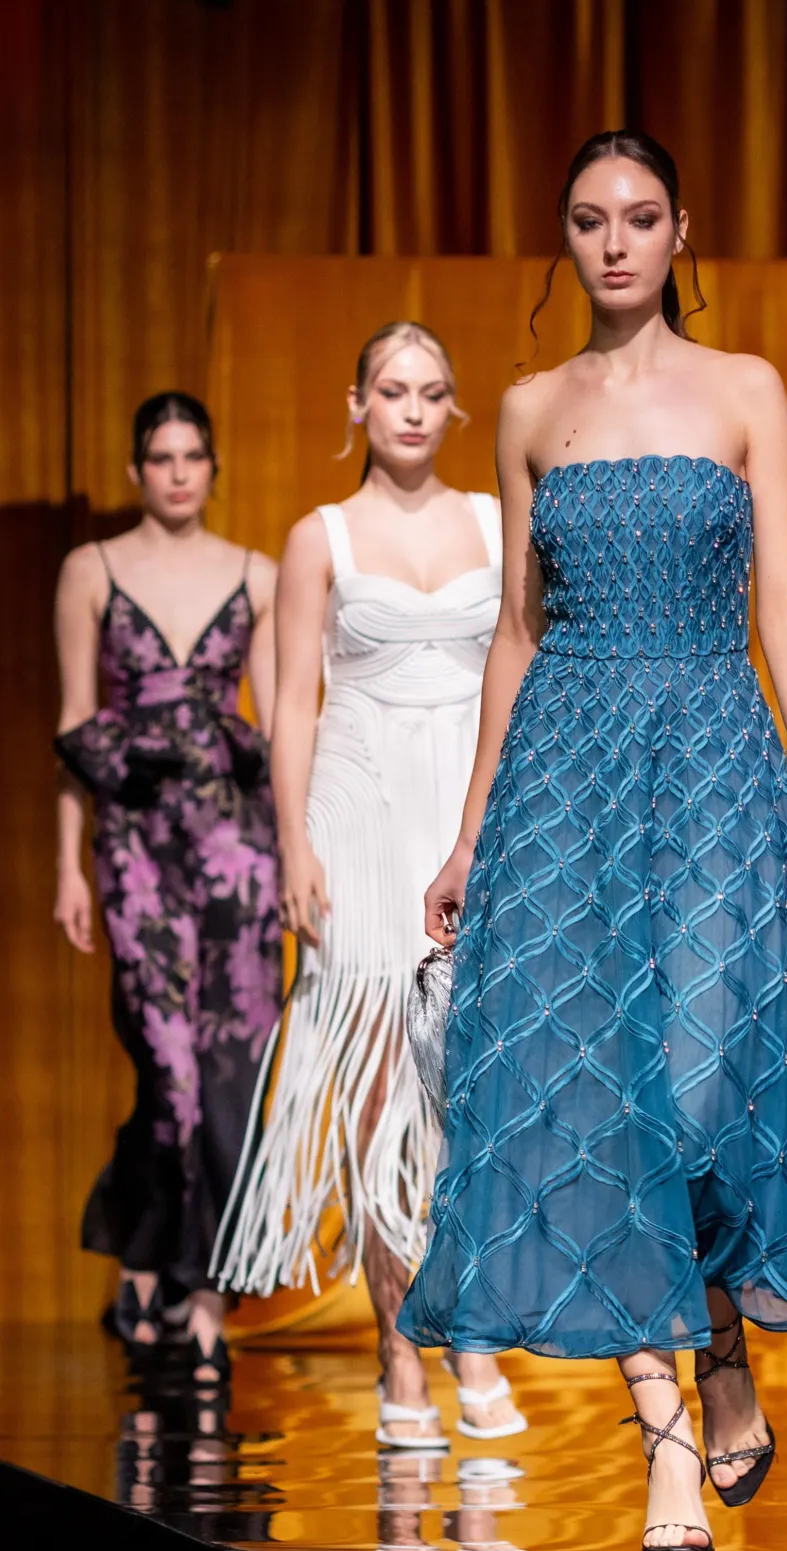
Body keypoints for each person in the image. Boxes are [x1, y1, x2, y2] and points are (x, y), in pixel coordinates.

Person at [395, 129, 787, 1551]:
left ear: (681, 230)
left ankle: (724, 1341)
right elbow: (515, 636)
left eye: (638, 217)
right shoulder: (526, 410)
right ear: (564, 239)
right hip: (564, 778)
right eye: (588, 219)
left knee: (693, 1093)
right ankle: (669, 1446)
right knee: (590, 1107)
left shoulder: (747, 390)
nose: (614, 242)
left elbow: (784, 602)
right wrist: (468, 834)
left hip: (712, 765)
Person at [212, 321, 524, 1450]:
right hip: (358, 806)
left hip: (469, 805)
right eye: (392, 390)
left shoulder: (496, 520)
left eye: (431, 391)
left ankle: (472, 1333)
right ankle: (400, 1348)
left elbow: (525, 661)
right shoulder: (320, 538)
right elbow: (291, 703)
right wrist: (294, 845)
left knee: (472, 1086)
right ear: (357, 404)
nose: (412, 409)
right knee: (383, 1091)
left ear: (455, 407)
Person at [54, 391, 281, 1387]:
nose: (179, 472)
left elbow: (280, 724)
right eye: (161, 456)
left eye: (193, 455)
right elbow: (77, 726)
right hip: (138, 845)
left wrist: (305, 854)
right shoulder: (91, 570)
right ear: (136, 469)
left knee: (232, 1082)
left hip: (240, 848)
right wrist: (67, 864)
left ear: (213, 467)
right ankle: (146, 1245)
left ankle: (202, 1291)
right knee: (169, 1073)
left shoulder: (258, 574)